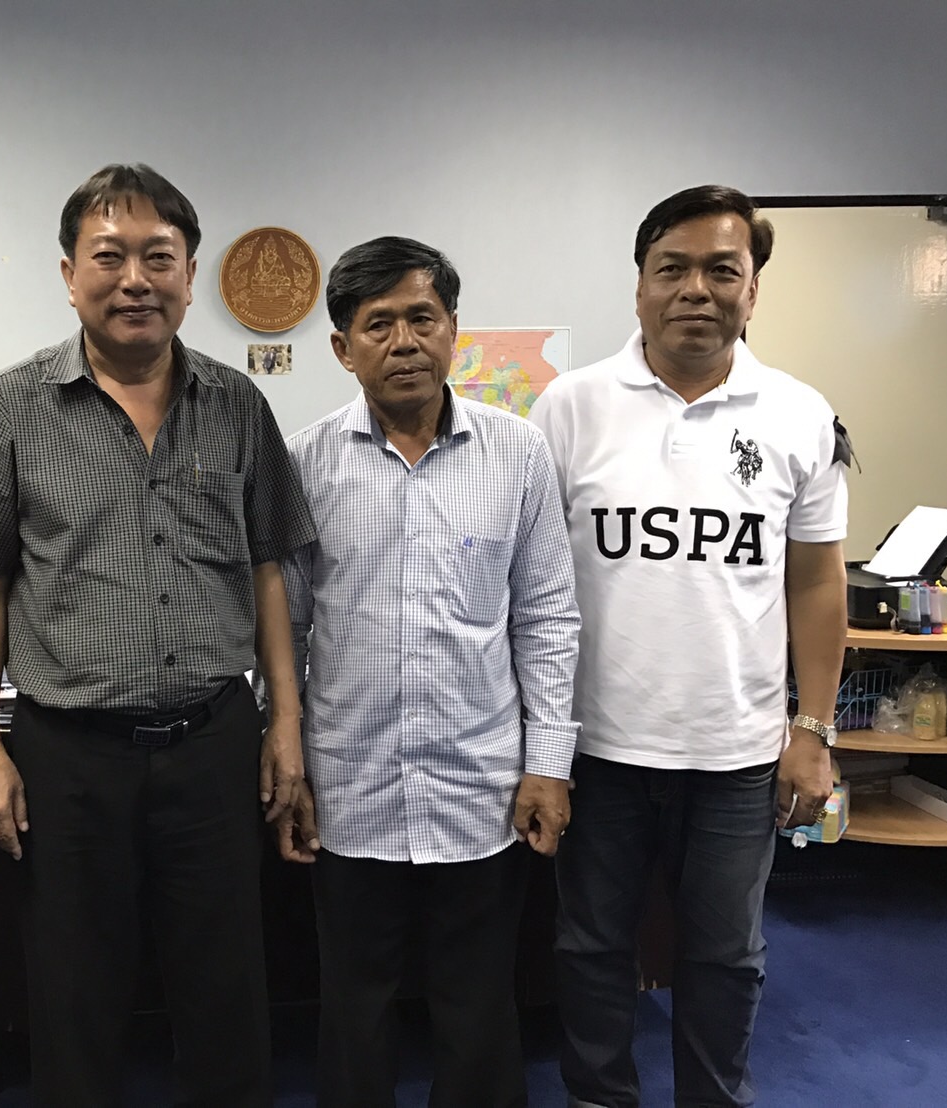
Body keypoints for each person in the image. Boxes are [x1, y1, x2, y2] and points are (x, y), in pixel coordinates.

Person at [0, 163, 316, 1107]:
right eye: (109, 257)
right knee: (74, 989)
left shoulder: (237, 405)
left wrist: (284, 724)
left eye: (159, 257)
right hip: (69, 752)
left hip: (212, 740)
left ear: (189, 275)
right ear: (71, 275)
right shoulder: (12, 407)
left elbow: (269, 567)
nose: (135, 279)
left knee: (226, 983)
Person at [528, 185, 849, 1108]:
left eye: (722, 270)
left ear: (754, 290)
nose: (695, 290)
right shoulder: (570, 407)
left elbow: (816, 583)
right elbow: (536, 583)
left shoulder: (798, 414)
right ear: (640, 286)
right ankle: (599, 1098)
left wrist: (813, 729)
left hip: (737, 754)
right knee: (590, 948)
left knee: (726, 955)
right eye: (672, 268)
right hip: (599, 748)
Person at [273, 236, 580, 1107]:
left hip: (479, 787)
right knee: (353, 1005)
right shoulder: (304, 463)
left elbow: (548, 618)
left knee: (477, 1005)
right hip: (351, 785)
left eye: (422, 318)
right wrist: (287, 761)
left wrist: (548, 764)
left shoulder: (518, 454)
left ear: (453, 331)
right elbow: (284, 630)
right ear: (344, 348)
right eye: (379, 324)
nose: (403, 341)